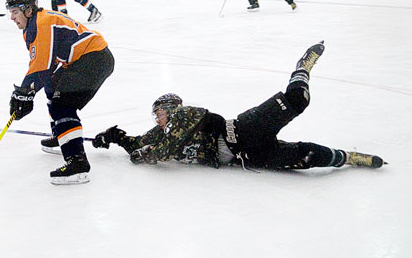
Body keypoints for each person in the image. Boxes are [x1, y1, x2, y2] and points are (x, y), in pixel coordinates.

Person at [92, 42, 386, 171]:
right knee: (304, 157)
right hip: (244, 156)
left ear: (168, 107)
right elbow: (143, 144)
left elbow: (157, 151)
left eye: (157, 112)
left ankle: (302, 67)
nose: (156, 119)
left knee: (298, 100)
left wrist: (140, 156)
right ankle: (349, 157)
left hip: (243, 131)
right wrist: (117, 138)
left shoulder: (181, 116)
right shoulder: (165, 131)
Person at [6, 0, 115, 184]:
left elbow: (42, 66)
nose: (11, 17)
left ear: (28, 10)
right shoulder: (32, 27)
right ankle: (62, 135)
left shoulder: (43, 23)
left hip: (94, 59)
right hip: (86, 59)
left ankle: (77, 164)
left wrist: (24, 92)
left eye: (15, 11)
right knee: (53, 87)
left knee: (61, 103)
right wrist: (27, 92)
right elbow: (44, 67)